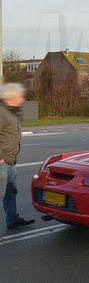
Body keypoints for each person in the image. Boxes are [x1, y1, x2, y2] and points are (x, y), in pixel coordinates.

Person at [0, 83, 34, 229]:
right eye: (20, 96)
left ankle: (12, 219)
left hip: (10, 161)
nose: (22, 99)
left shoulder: (10, 112)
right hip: (3, 161)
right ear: (11, 97)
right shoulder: (1, 112)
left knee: (10, 191)